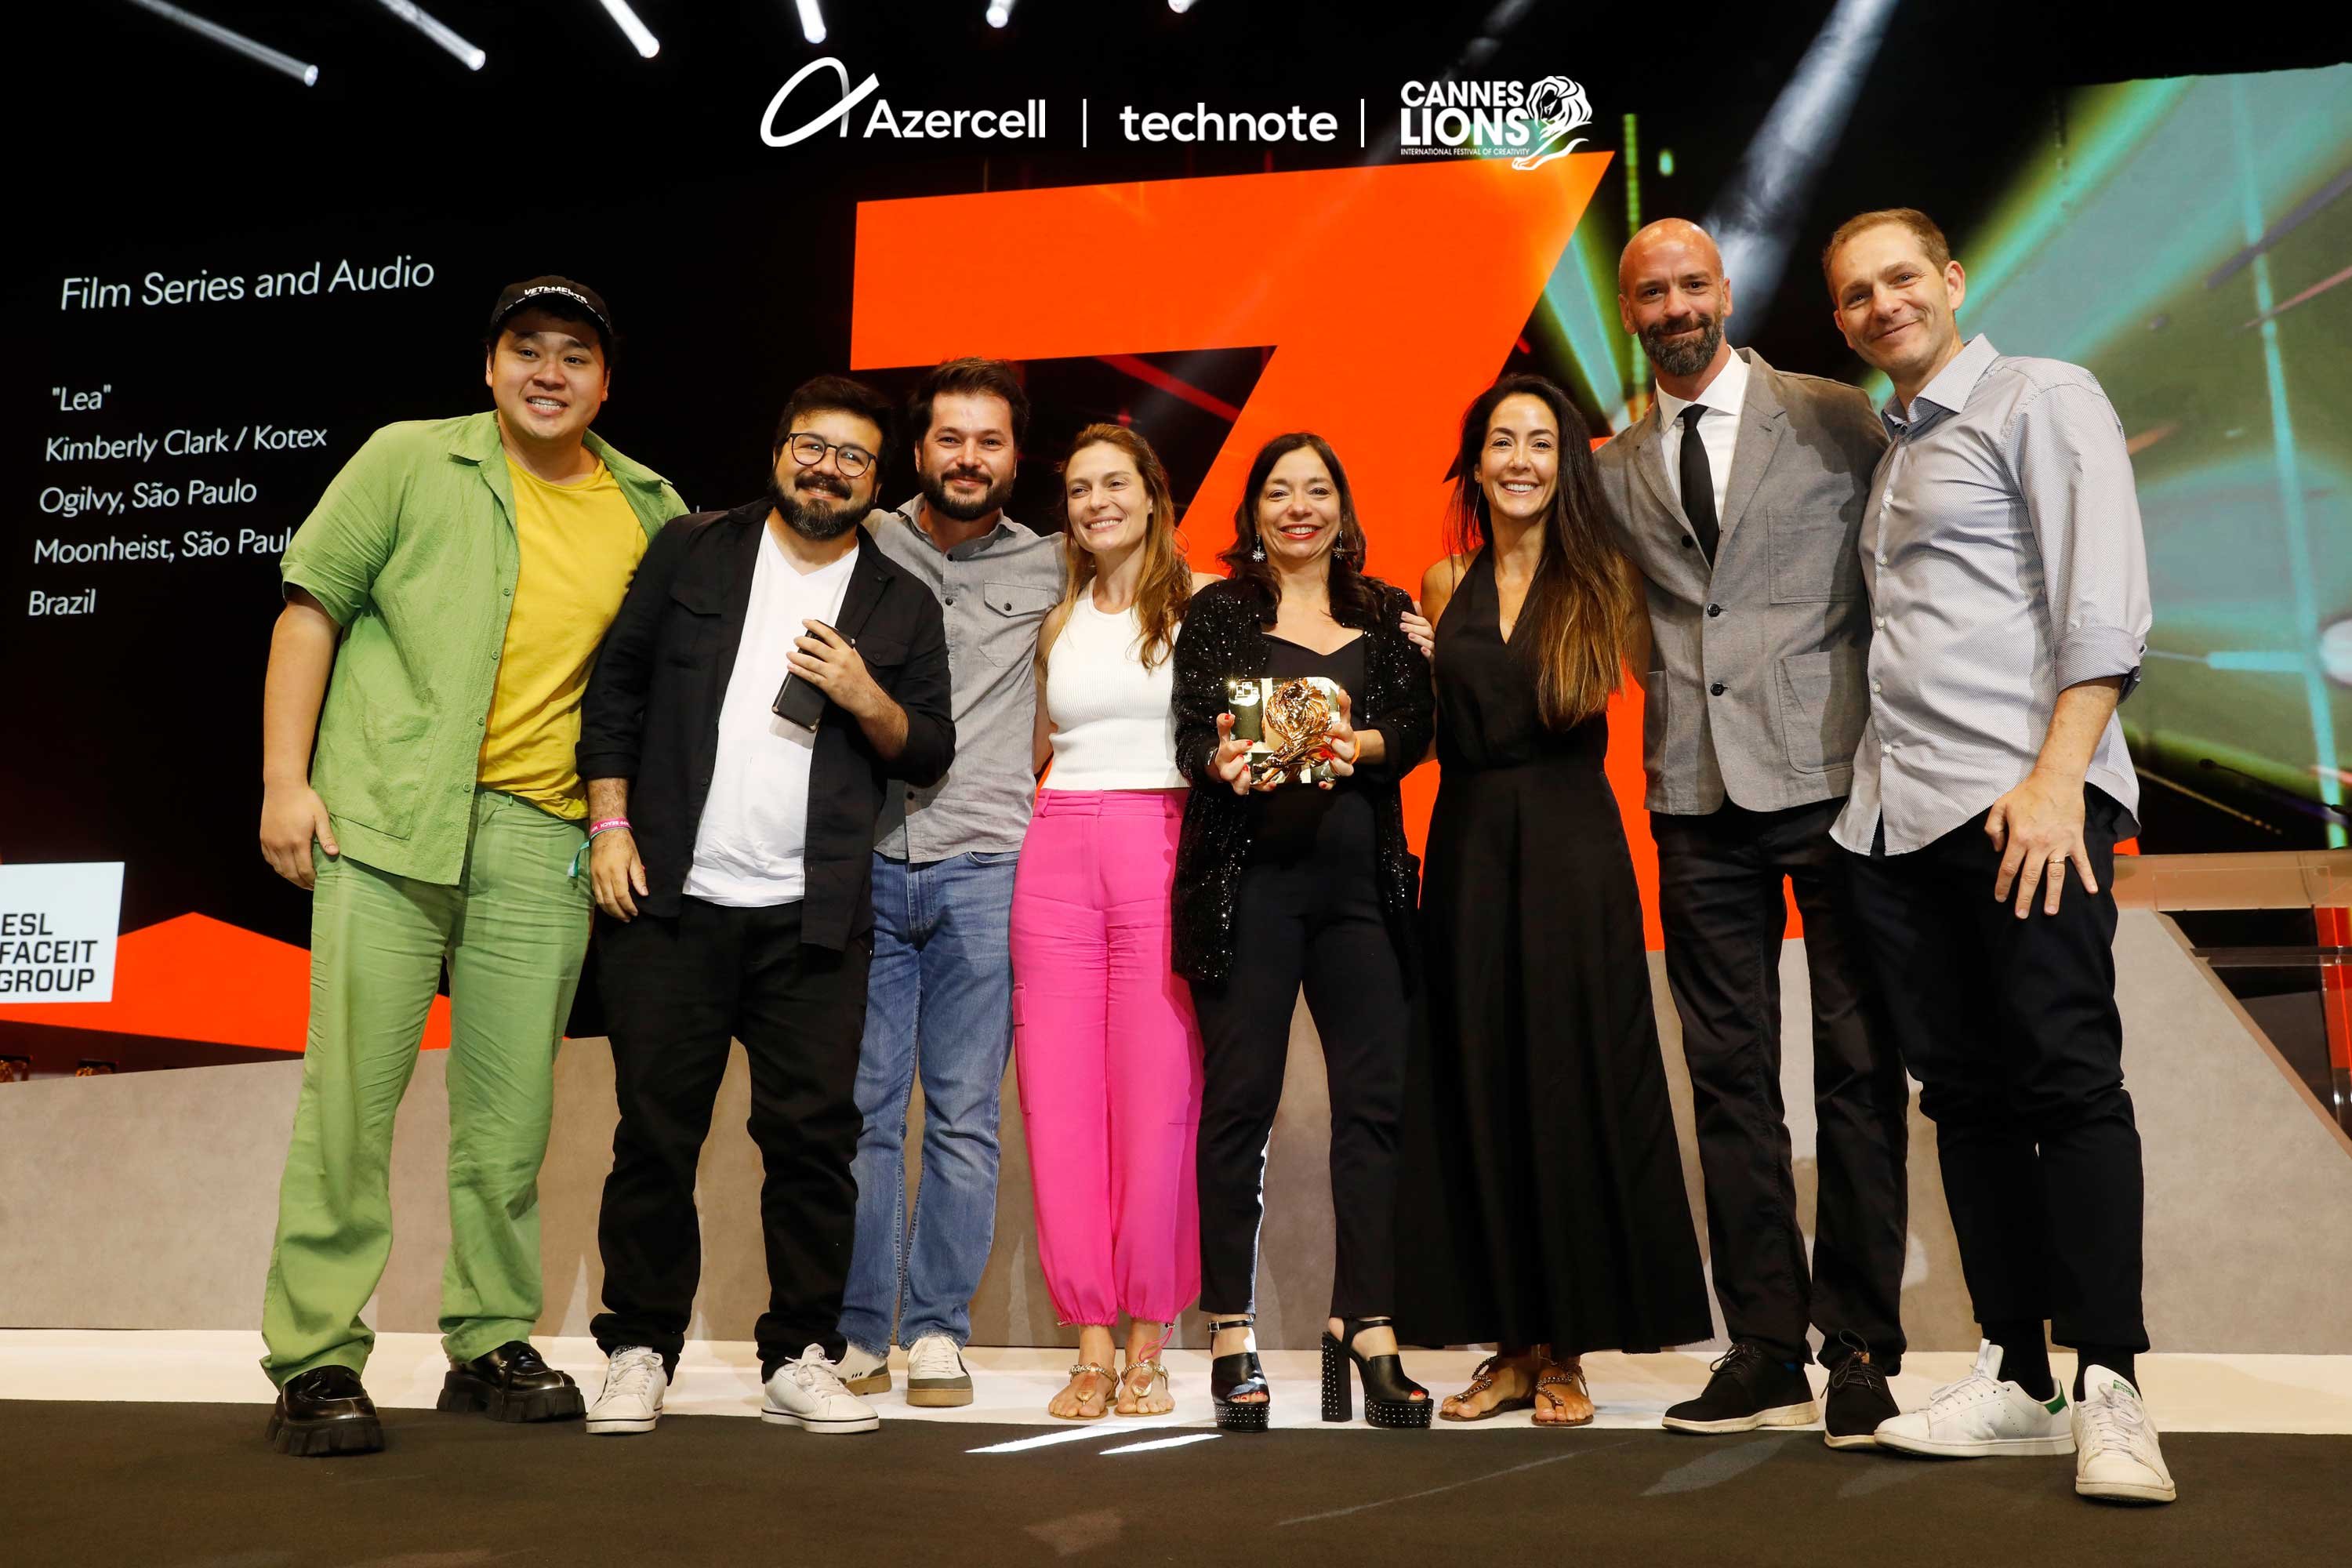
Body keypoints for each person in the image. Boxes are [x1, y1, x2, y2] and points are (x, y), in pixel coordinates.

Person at [255, 278, 685, 1457]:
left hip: (542, 838)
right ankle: (315, 1354)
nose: (550, 372)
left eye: (575, 355)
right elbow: (309, 611)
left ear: (607, 382)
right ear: (489, 367)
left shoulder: (650, 507)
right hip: (387, 819)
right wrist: (285, 781)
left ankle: (490, 1335)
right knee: (350, 1105)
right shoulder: (408, 457)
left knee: (510, 1120)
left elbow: (652, 690)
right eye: (526, 349)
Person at [1820, 209, 2172, 1504]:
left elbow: (2105, 602)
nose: (1883, 305)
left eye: (1901, 278)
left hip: (2025, 806)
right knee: (1964, 1101)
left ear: (1953, 279)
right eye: (1856, 294)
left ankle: (2112, 1386)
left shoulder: (2042, 396)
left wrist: (2057, 781)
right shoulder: (1896, 450)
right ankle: (2018, 1374)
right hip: (1899, 824)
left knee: (2070, 1084)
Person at [575, 376, 954, 1438]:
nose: (827, 469)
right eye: (810, 446)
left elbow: (928, 748)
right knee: (655, 1137)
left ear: (877, 482)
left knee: (812, 1147)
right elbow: (615, 693)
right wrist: (610, 825)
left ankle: (800, 1354)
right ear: (780, 451)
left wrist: (865, 694)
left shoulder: (900, 601)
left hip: (814, 918)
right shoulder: (692, 550)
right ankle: (639, 1348)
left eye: (853, 457)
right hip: (671, 902)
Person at [1594, 219, 1910, 1447]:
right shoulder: (1616, 467)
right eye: (1652, 292)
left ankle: (1863, 1347)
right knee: (1729, 1084)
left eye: (1692, 283)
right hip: (1692, 800)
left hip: (1834, 782)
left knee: (1858, 1069)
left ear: (1725, 291)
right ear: (1630, 311)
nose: (1675, 305)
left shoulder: (1833, 415)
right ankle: (1766, 1348)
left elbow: (1903, 572)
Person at [1395, 375, 1713, 1427]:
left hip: (1575, 855)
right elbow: (1434, 732)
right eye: (1503, 441)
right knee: (1480, 1083)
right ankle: (1509, 1348)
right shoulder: (1443, 582)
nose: (1521, 459)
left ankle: (1567, 1349)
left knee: (1569, 1084)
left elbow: (1668, 678)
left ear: (1566, 464)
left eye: (1541, 442)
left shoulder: (1605, 578)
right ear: (1476, 463)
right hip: (1469, 849)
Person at [1172, 432, 1436, 1432]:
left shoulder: (1385, 610)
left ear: (1342, 507)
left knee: (1374, 1108)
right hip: (1249, 888)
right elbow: (1191, 730)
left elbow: (1415, 729)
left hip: (1362, 892)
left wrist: (1350, 741)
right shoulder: (1219, 610)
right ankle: (1231, 1330)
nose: (1298, 507)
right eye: (1279, 491)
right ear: (1253, 511)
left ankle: (1366, 1324)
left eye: (1317, 489)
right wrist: (1220, 761)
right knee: (1240, 1105)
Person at [836, 358, 1065, 1407]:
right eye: (950, 438)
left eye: (990, 441)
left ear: (1016, 456)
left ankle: (935, 1332)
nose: (968, 458)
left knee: (966, 1114)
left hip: (988, 866)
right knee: (867, 1113)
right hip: (870, 862)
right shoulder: (864, 541)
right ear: (918, 446)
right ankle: (858, 1334)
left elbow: (1162, 592)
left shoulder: (1053, 562)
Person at [1008, 425, 1218, 1420]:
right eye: (1080, 488)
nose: (1096, 502)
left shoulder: (1205, 602)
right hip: (1055, 849)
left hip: (1162, 846)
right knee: (1058, 1102)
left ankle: (1148, 1339)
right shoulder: (1058, 619)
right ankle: (1090, 1341)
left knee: (1158, 1100)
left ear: (1152, 493)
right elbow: (1036, 747)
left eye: (1114, 483)